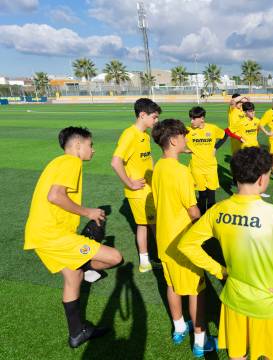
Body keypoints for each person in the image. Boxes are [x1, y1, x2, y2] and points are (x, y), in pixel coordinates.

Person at [178, 146, 273, 360]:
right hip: (270, 304)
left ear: (235, 176)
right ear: (263, 179)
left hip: (234, 301)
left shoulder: (218, 210)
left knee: (238, 355)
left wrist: (219, 270)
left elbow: (186, 244)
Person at [24, 127, 123, 348]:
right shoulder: (71, 162)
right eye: (91, 145)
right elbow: (55, 196)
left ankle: (77, 333)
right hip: (52, 235)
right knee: (115, 257)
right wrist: (89, 212)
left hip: (42, 234)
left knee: (73, 278)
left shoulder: (56, 162)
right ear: (78, 146)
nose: (93, 150)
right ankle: (88, 266)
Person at [150, 119, 217, 357]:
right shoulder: (181, 171)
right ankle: (200, 341)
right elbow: (193, 210)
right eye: (183, 135)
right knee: (196, 290)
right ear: (173, 140)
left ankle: (179, 327)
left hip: (164, 239)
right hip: (183, 241)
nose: (187, 139)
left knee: (171, 284)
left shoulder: (158, 166)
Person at [111, 98, 161, 273]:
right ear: (142, 115)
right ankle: (145, 259)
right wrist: (130, 183)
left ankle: (160, 254)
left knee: (154, 222)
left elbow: (147, 158)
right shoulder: (129, 135)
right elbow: (116, 162)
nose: (157, 121)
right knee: (144, 225)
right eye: (154, 117)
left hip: (149, 188)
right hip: (138, 191)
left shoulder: (145, 135)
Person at [186, 106, 226, 214]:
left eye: (194, 118)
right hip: (196, 167)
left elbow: (225, 135)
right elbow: (175, 140)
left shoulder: (212, 128)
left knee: (211, 194)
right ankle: (202, 216)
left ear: (202, 118)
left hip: (211, 167)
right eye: (191, 118)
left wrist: (215, 147)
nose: (191, 121)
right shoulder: (187, 130)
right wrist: (184, 150)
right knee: (202, 195)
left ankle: (210, 216)